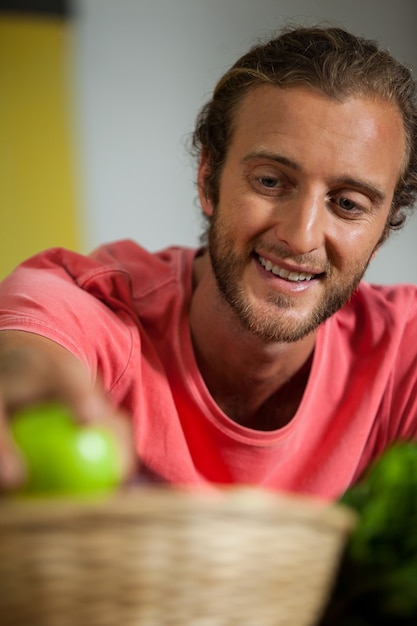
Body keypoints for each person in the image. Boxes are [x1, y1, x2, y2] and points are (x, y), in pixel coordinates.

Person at [0, 25, 416, 500]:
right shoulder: (103, 305)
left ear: (382, 229)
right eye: (270, 182)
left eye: (347, 204)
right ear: (207, 179)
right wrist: (21, 369)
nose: (300, 237)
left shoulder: (403, 356)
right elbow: (36, 335)